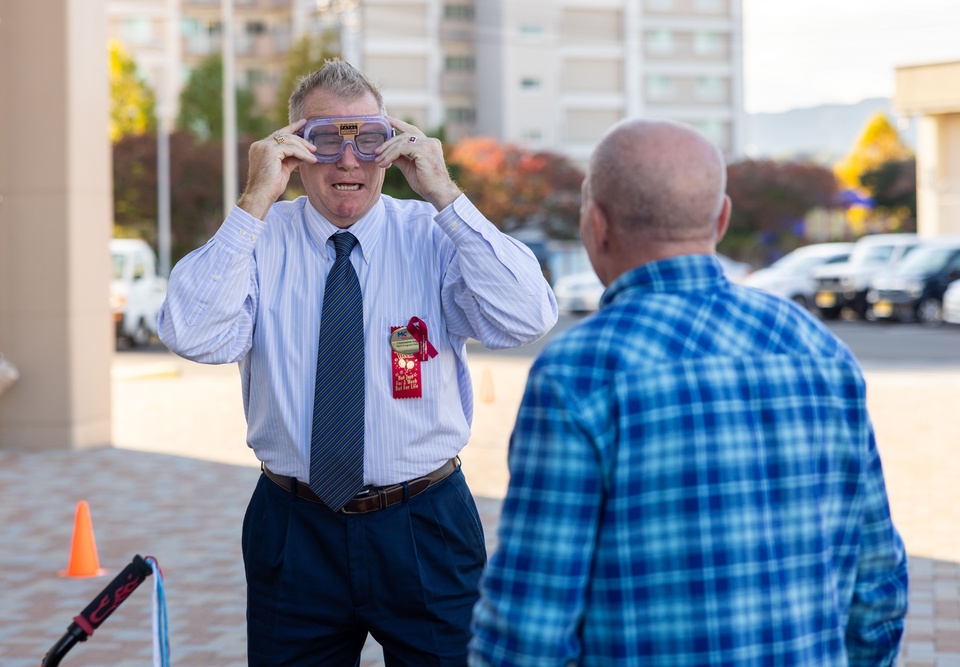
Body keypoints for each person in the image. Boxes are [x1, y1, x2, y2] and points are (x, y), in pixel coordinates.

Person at [157, 59, 557, 666]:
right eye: (324, 140)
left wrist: (447, 194)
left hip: (425, 523)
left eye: (367, 139)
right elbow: (192, 334)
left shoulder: (432, 233)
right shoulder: (260, 241)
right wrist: (253, 201)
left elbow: (527, 317)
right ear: (291, 152)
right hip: (294, 526)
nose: (348, 161)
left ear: (390, 147)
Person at [469, 119, 908, 666]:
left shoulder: (580, 372)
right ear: (721, 218)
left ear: (596, 224)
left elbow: (528, 628)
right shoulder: (820, 350)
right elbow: (878, 587)